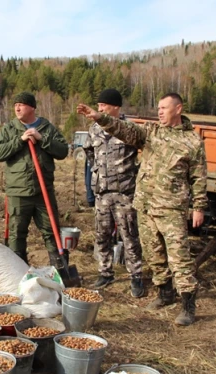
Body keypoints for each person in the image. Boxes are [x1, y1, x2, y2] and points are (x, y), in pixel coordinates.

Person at [77, 92, 208, 326]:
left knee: (179, 259)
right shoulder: (150, 132)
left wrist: (199, 206)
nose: (159, 112)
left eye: (164, 108)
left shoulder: (193, 142)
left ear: (178, 109)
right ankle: (165, 294)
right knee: (153, 255)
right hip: (145, 205)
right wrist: (99, 117)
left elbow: (199, 177)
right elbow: (125, 130)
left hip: (171, 209)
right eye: (158, 107)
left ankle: (188, 305)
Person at [0, 92, 69, 268]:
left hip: (43, 191)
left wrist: (42, 139)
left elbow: (63, 151)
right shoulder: (9, 129)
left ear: (32, 107)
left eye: (21, 104)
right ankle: (18, 272)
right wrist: (20, 140)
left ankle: (59, 270)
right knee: (17, 233)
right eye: (15, 105)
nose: (17, 108)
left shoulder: (46, 128)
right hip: (18, 192)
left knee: (51, 231)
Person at [83, 89, 144, 295]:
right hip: (103, 192)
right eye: (98, 105)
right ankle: (105, 273)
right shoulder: (94, 129)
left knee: (129, 235)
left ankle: (136, 276)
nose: (99, 109)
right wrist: (96, 177)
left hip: (124, 193)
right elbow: (90, 154)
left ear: (116, 107)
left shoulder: (129, 129)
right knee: (102, 235)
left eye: (103, 106)